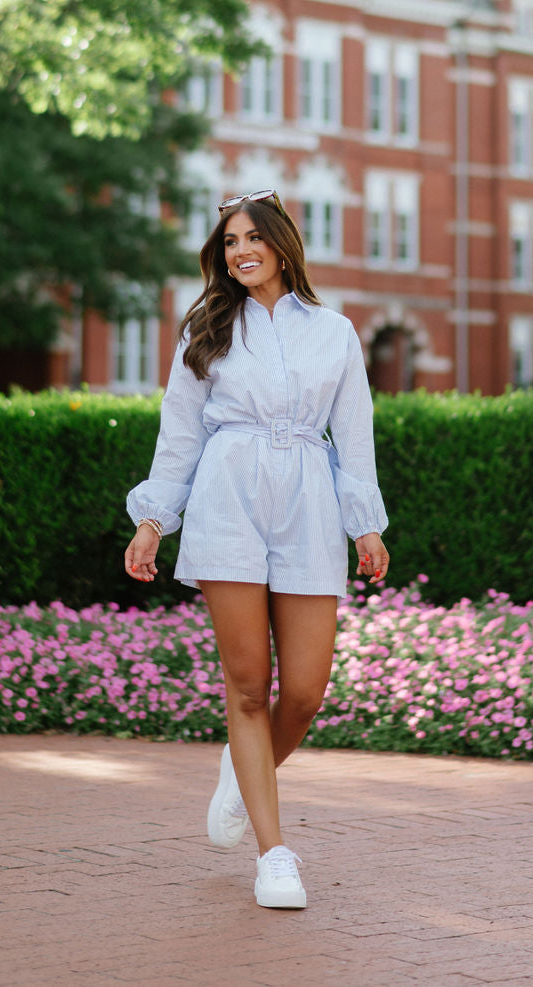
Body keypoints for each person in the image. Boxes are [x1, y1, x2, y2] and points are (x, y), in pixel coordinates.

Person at [125, 189, 389, 910]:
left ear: (281, 245)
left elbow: (354, 436)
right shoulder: (207, 328)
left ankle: (242, 772)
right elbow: (179, 434)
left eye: (252, 239)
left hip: (308, 500)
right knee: (247, 686)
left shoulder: (334, 332)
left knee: (303, 690)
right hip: (227, 500)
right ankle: (275, 855)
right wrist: (154, 517)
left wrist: (365, 522)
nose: (241, 251)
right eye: (229, 242)